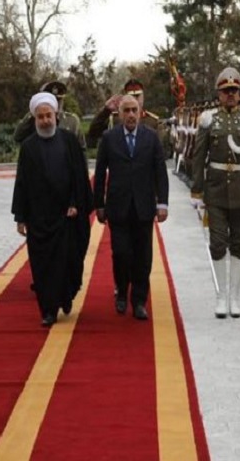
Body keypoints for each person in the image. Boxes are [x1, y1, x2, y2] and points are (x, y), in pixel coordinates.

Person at [191, 67, 240, 319]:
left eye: (234, 91)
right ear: (219, 94)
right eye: (226, 92)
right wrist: (197, 191)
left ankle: (235, 297)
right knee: (217, 243)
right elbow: (199, 155)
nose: (230, 95)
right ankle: (221, 296)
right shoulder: (208, 119)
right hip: (215, 189)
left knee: (239, 243)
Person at [12, 92, 93, 327]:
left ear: (56, 116)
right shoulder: (28, 148)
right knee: (43, 266)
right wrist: (21, 217)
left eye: (49, 115)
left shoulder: (69, 142)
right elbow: (22, 183)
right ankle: (47, 309)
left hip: (68, 217)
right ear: (35, 119)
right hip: (40, 219)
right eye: (41, 117)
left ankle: (66, 295)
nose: (46, 120)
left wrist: (76, 204)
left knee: (71, 263)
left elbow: (80, 177)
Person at [93, 95, 170, 320]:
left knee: (143, 257)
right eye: (126, 110)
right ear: (119, 114)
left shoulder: (151, 138)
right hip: (118, 207)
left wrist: (162, 203)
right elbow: (100, 173)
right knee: (121, 253)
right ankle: (121, 293)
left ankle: (139, 301)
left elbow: (160, 173)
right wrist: (99, 203)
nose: (130, 115)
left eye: (134, 110)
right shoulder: (109, 138)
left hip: (144, 207)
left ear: (140, 112)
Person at [87, 78, 160, 151]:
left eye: (137, 96)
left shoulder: (152, 120)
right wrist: (106, 111)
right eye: (131, 96)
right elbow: (93, 134)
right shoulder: (114, 119)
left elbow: (160, 151)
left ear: (143, 97)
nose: (135, 100)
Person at [14, 81, 85, 148]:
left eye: (59, 100)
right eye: (51, 100)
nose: (56, 104)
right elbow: (18, 137)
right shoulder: (34, 118)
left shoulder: (72, 121)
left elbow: (81, 148)